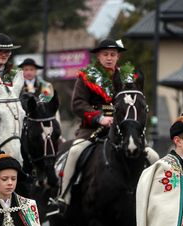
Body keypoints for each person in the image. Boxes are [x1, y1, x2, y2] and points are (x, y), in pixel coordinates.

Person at [55, 38, 138, 210]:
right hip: (91, 129)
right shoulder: (86, 77)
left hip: (122, 131)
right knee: (74, 152)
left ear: (118, 57)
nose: (109, 58)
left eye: (113, 54)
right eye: (105, 54)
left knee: (149, 155)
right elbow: (77, 103)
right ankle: (64, 196)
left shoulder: (127, 79)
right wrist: (99, 118)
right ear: (98, 56)